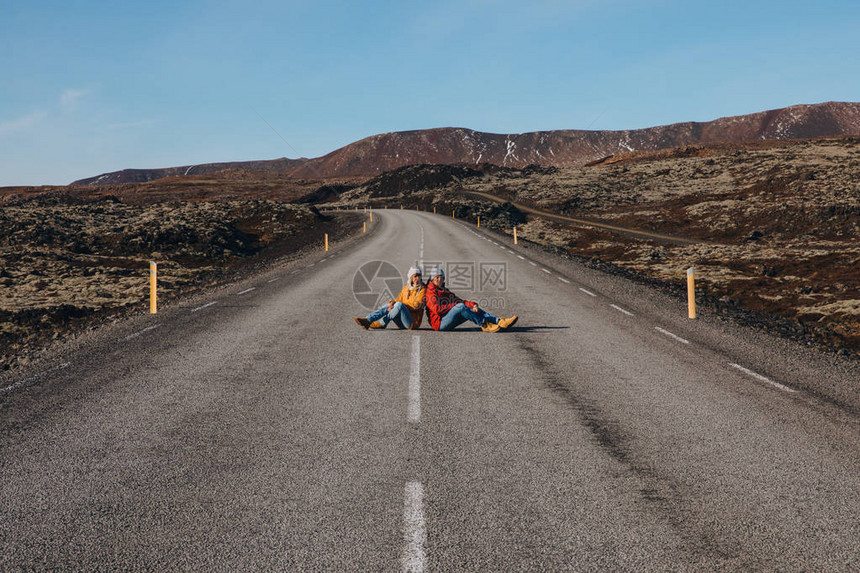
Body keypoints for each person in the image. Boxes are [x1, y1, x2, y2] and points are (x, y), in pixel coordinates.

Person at [425, 267, 517, 332]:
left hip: (447, 319)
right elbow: (437, 309)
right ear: (432, 279)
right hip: (440, 324)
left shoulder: (444, 291)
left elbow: (460, 301)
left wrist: (473, 304)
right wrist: (454, 306)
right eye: (436, 277)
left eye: (441, 277)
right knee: (460, 307)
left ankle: (499, 321)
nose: (439, 279)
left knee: (468, 308)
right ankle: (484, 325)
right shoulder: (430, 292)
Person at [355, 266, 426, 330]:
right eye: (415, 276)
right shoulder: (406, 288)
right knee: (390, 305)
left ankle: (382, 323)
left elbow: (416, 305)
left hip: (412, 323)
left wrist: (399, 304)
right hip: (401, 322)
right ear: (410, 277)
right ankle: (368, 320)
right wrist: (392, 303)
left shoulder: (423, 289)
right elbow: (398, 300)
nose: (417, 278)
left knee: (399, 305)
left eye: (419, 276)